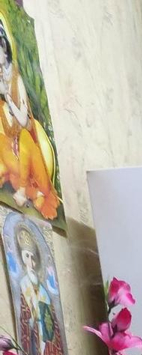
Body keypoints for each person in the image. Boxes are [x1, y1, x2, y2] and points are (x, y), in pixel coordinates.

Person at [0, 19, 59, 222]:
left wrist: (8, 97)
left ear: (5, 49)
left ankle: (26, 189)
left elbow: (24, 122)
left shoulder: (16, 80)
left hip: (30, 156)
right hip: (15, 157)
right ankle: (30, 191)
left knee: (25, 137)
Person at [13, 222, 63, 355]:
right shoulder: (23, 283)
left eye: (32, 257)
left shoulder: (42, 288)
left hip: (44, 332)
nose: (30, 261)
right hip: (33, 331)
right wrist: (31, 318)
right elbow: (24, 311)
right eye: (26, 256)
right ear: (22, 257)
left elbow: (50, 315)